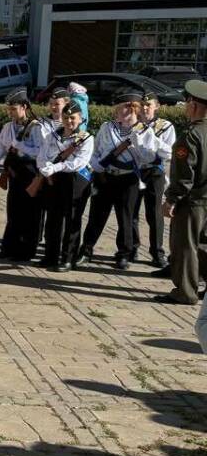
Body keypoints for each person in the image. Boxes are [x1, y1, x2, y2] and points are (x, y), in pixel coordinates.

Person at [78, 91, 154, 271]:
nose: (117, 112)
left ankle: (124, 254)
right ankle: (86, 250)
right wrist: (97, 167)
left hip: (129, 179)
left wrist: (138, 148)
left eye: (120, 108)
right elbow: (95, 151)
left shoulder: (144, 131)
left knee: (126, 217)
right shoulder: (107, 127)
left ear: (131, 109)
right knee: (97, 215)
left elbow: (150, 157)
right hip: (105, 176)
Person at [0, 90, 44, 263]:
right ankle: (8, 247)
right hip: (14, 176)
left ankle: (26, 251)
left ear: (24, 107)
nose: (10, 112)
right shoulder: (8, 127)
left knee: (30, 214)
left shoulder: (37, 127)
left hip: (31, 176)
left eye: (13, 109)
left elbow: (42, 152)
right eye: (9, 109)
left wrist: (21, 147)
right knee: (13, 212)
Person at [162, 79, 207, 306]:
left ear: (195, 105)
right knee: (204, 246)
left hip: (193, 201)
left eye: (187, 102)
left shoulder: (191, 135)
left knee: (186, 246)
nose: (185, 107)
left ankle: (186, 292)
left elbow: (184, 174)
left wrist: (171, 199)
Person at [36, 102, 94, 272]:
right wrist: (44, 167)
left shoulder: (86, 138)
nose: (69, 121)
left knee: (72, 220)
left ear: (80, 119)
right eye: (66, 117)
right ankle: (50, 256)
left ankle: (68, 258)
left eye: (73, 118)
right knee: (53, 218)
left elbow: (79, 163)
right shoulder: (51, 136)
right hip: (54, 180)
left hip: (76, 181)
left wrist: (54, 167)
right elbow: (41, 155)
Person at [133, 91, 176, 268]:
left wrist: (152, 138)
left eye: (148, 105)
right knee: (131, 211)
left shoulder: (165, 126)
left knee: (154, 214)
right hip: (134, 172)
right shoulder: (132, 124)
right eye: (142, 105)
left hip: (154, 172)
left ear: (156, 106)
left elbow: (168, 152)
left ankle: (157, 252)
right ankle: (131, 248)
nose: (144, 108)